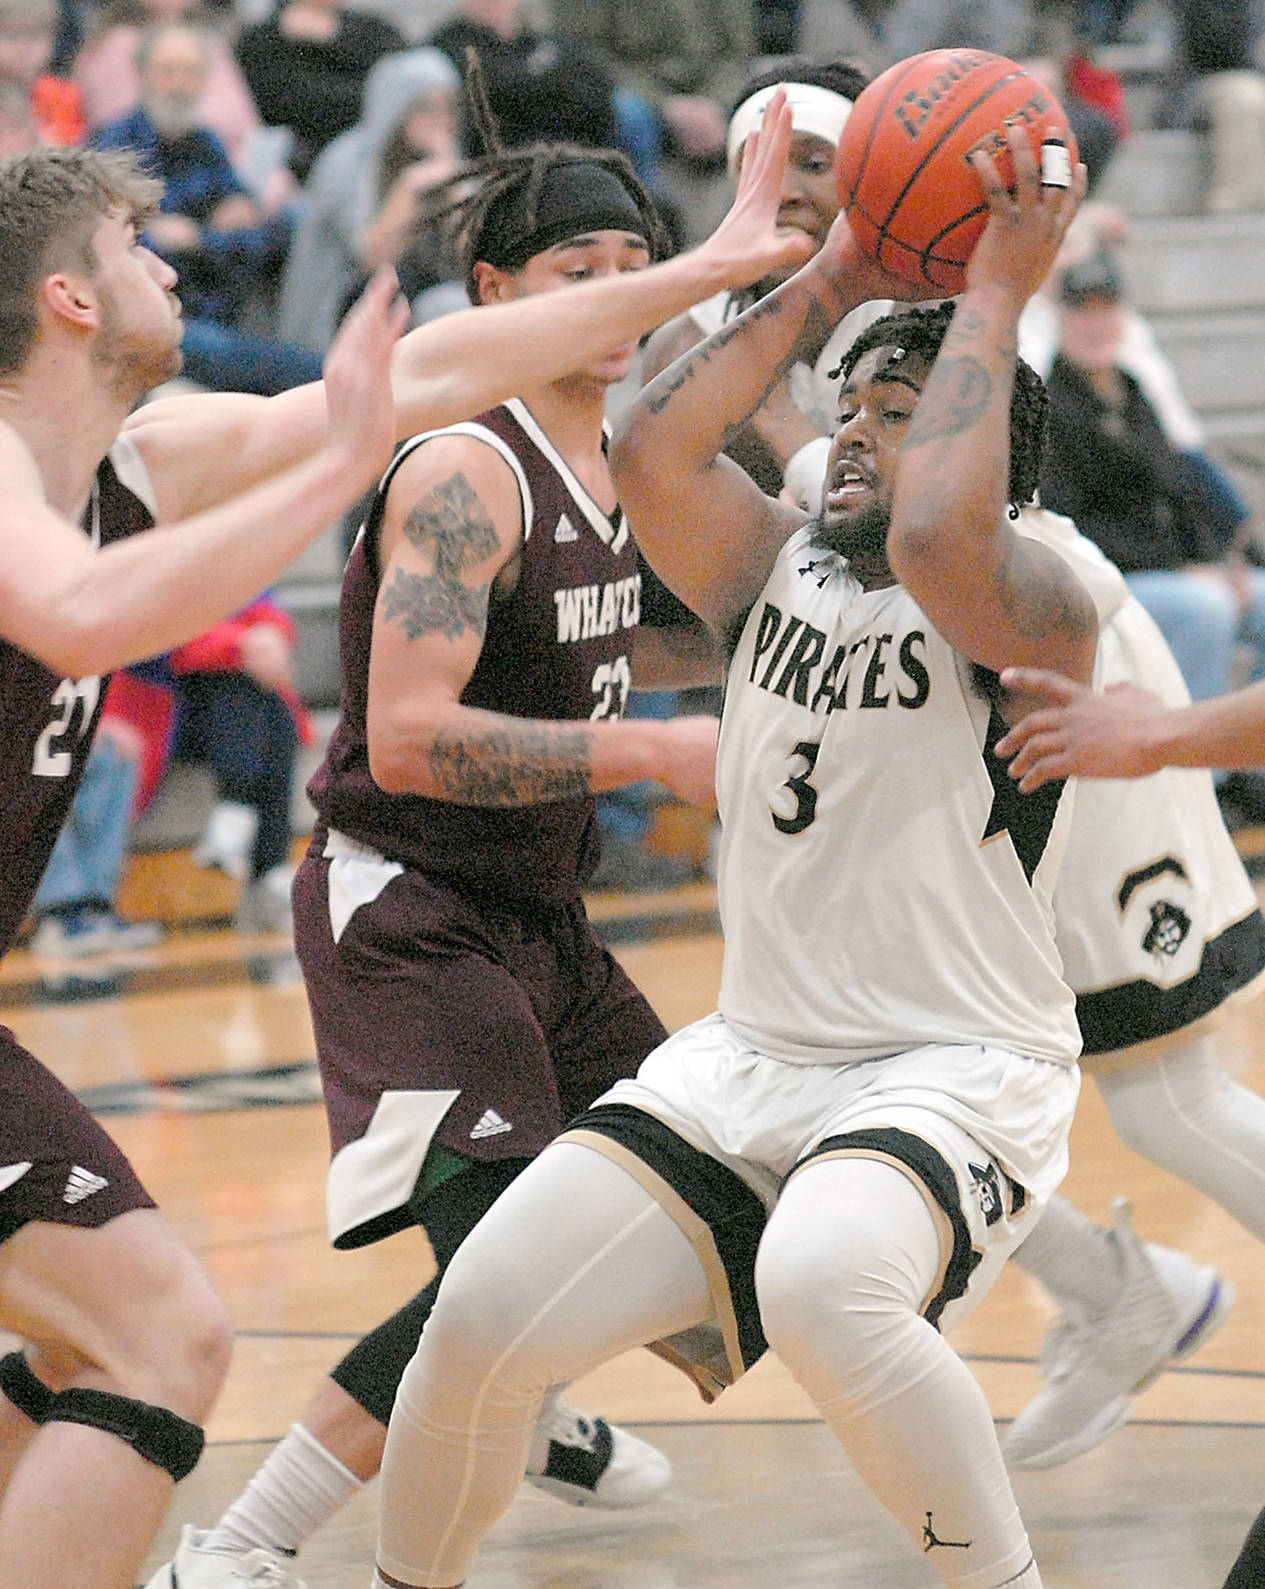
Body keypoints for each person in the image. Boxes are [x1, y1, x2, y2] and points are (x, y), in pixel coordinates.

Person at [0, 109, 817, 1589]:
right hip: (417, 907)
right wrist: (331, 477)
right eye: (136, 250)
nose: (172, 270)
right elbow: (81, 619)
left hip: (513, 920)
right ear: (67, 294)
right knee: (159, 1341)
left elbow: (430, 373)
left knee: (98, 1350)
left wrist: (726, 265)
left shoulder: (143, 459)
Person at [369, 127, 1094, 1589]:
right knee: (483, 1310)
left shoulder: (1034, 593)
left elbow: (945, 530)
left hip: (956, 1061)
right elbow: (650, 444)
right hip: (754, 1051)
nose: (855, 437)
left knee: (827, 1283)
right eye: (850, 411)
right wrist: (832, 272)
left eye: (900, 411)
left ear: (988, 459)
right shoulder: (770, 566)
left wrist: (999, 292)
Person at [90, 21, 324, 396]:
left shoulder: (206, 142)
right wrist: (213, 236)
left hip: (219, 310)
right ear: (142, 74)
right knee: (290, 369)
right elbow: (131, 249)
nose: (180, 85)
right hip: (154, 320)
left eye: (191, 73)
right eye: (168, 71)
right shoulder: (114, 145)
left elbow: (259, 237)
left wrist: (196, 237)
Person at [276, 47, 462, 356]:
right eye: (427, 108)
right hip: (328, 333)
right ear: (396, 106)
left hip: (407, 318)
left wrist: (453, 185)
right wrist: (410, 187)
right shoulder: (349, 160)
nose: (440, 122)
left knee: (452, 305)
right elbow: (369, 259)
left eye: (448, 109)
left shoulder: (441, 162)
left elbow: (470, 258)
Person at [235, 0, 407, 182]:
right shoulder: (260, 43)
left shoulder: (377, 33)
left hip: (375, 159)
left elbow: (403, 90)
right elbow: (292, 103)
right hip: (295, 170)